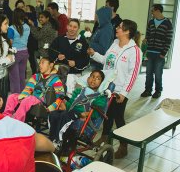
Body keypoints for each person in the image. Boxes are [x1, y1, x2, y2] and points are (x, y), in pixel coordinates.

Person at [88, 19, 141, 159]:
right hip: (107, 87)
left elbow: (133, 74)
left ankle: (124, 146)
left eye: (119, 27)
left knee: (118, 118)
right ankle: (105, 137)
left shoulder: (134, 51)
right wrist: (94, 54)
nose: (116, 28)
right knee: (107, 114)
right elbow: (106, 60)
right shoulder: (114, 43)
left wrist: (124, 92)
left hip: (120, 91)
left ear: (127, 31)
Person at [48, 70, 107, 143]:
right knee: (54, 114)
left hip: (83, 117)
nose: (94, 79)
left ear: (101, 83)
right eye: (92, 76)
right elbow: (71, 103)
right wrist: (65, 105)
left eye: (98, 78)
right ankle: (52, 139)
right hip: (72, 113)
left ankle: (57, 141)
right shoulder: (79, 91)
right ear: (88, 79)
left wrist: (85, 114)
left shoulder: (100, 97)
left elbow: (97, 112)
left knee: (65, 115)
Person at [4, 56, 65, 122]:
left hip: (43, 103)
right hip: (31, 99)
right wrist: (22, 97)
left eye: (43, 63)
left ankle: (17, 121)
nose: (40, 65)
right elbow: (28, 89)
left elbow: (61, 97)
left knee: (28, 99)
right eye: (40, 63)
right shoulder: (36, 76)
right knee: (12, 97)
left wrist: (51, 108)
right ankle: (6, 118)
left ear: (51, 65)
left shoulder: (56, 80)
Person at [49, 19, 90, 95]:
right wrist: (57, 56)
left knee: (71, 98)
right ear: (67, 27)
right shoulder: (59, 39)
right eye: (70, 26)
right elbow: (51, 51)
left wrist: (76, 63)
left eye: (75, 27)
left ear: (78, 29)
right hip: (59, 74)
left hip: (75, 75)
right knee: (58, 96)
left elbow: (86, 59)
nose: (72, 29)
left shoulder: (82, 42)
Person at [141, 4, 173, 99]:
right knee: (148, 73)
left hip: (160, 54)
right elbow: (148, 35)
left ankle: (158, 90)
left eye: (152, 11)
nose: (151, 13)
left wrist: (164, 53)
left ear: (158, 11)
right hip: (150, 52)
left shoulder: (167, 23)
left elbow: (169, 39)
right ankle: (148, 90)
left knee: (158, 73)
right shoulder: (151, 22)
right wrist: (146, 41)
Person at [7, 8, 30, 94]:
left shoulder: (11, 28)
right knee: (21, 76)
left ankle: (15, 99)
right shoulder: (27, 27)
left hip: (14, 53)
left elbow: (10, 43)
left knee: (14, 78)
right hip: (25, 52)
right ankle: (22, 96)